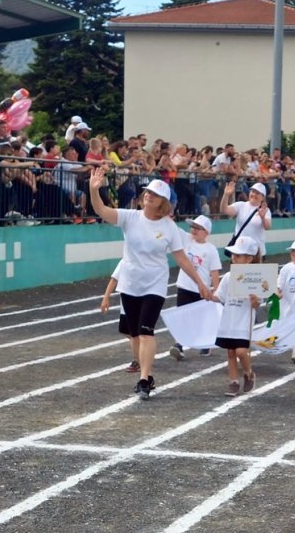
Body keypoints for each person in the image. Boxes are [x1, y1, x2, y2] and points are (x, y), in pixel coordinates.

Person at [88, 170, 212, 400]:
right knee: (134, 334)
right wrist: (94, 190)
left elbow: (182, 259)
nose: (148, 196)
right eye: (147, 192)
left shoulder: (169, 227)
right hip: (130, 283)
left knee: (146, 332)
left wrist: (201, 283)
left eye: (154, 194)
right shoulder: (130, 217)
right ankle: (143, 369)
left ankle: (145, 379)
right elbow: (101, 210)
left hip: (155, 284)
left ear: (163, 202)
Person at [212, 236, 261, 397]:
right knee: (231, 352)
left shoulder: (255, 277)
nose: (234, 257)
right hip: (229, 320)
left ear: (249, 259)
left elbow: (258, 303)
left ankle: (249, 373)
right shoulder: (228, 277)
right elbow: (220, 296)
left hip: (243, 321)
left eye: (238, 255)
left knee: (241, 351)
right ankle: (233, 381)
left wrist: (255, 300)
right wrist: (208, 295)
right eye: (233, 254)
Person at [169, 215, 222, 360]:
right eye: (193, 227)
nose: (194, 230)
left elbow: (215, 271)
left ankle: (206, 343)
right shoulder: (186, 240)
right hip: (184, 286)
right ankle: (179, 345)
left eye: (198, 228)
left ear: (206, 232)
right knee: (182, 317)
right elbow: (174, 228)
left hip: (201, 289)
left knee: (200, 319)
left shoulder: (211, 250)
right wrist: (167, 217)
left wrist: (216, 290)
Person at [100, 260, 139, 373]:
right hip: (126, 304)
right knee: (126, 331)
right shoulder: (125, 261)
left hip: (140, 303)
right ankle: (143, 351)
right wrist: (106, 297)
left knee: (135, 334)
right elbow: (114, 279)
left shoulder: (147, 261)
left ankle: (138, 361)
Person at [220, 181, 271, 262]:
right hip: (239, 251)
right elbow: (224, 210)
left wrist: (262, 217)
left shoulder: (265, 210)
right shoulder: (240, 205)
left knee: (255, 274)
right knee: (238, 275)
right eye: (252, 191)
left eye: (257, 193)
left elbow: (267, 227)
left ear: (263, 197)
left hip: (256, 252)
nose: (253, 194)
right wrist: (226, 195)